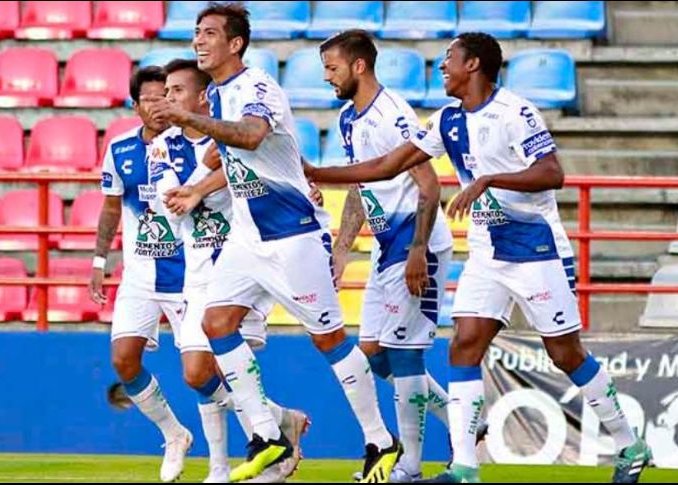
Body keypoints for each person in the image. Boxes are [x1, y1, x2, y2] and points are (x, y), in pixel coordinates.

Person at [305, 32, 652, 484]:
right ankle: (465, 467)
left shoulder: (515, 112)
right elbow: (388, 165)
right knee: (463, 346)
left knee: (564, 353)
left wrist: (488, 179)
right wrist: (317, 172)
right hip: (488, 253)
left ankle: (630, 444)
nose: (442, 68)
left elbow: (553, 173)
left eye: (449, 60)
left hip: (535, 249)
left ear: (474, 65)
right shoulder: (447, 118)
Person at [146, 4, 402, 482]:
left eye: (209, 33)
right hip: (246, 237)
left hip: (292, 235)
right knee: (217, 323)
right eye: (196, 33)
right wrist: (197, 185)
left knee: (329, 340)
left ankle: (381, 441)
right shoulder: (219, 94)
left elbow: (251, 135)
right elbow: (223, 154)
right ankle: (267, 436)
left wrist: (187, 117)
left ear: (235, 44)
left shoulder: (257, 85)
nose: (198, 41)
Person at [146, 58, 310, 483]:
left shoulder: (236, 136)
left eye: (176, 92)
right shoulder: (162, 146)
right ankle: (280, 422)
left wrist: (211, 177)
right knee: (198, 373)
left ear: (203, 97)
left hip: (246, 263)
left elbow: (266, 170)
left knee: (229, 367)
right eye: (165, 93)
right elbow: (175, 201)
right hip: (198, 266)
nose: (168, 100)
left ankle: (247, 461)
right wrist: (206, 177)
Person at [317, 30, 453, 483]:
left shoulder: (392, 116)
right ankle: (462, 421)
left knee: (403, 352)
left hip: (415, 241)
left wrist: (418, 251)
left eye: (332, 68)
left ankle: (410, 467)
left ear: (359, 66)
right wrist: (341, 251)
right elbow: (360, 186)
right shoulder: (348, 119)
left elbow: (430, 185)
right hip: (385, 244)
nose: (326, 77)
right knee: (374, 354)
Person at [88, 66, 192, 483]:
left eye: (166, 96)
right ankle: (174, 434)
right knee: (123, 359)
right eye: (150, 98)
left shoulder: (194, 146)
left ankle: (273, 425)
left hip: (189, 274)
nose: (159, 105)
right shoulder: (120, 149)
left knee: (204, 373)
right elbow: (112, 207)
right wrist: (99, 263)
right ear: (136, 105)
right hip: (139, 275)